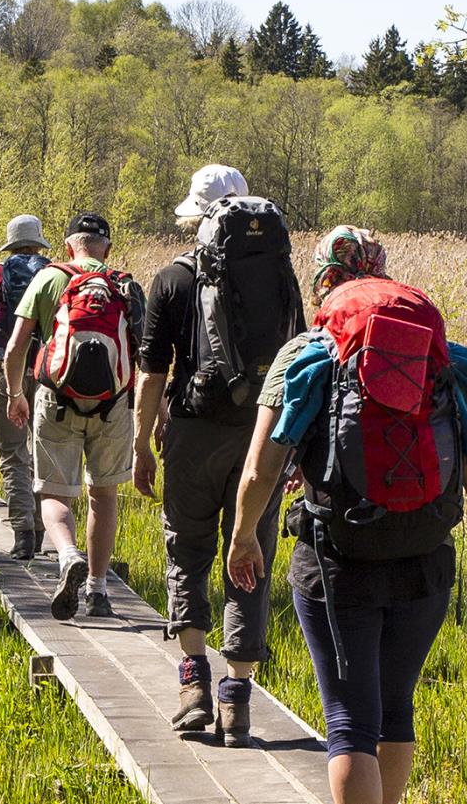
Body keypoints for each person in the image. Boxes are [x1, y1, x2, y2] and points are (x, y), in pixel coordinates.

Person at [228, 225, 467, 787]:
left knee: (349, 723)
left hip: (338, 563)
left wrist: (244, 537)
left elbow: (258, 469)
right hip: (425, 560)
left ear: (323, 282)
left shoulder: (307, 353)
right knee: (396, 712)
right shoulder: (433, 357)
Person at [133, 163, 304, 737]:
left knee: (187, 550)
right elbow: (295, 358)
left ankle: (193, 685)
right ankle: (237, 699)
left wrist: (141, 442)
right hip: (265, 435)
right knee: (249, 552)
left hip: (194, 431)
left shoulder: (172, 279)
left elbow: (153, 373)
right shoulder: (280, 270)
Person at [4, 213, 148, 621]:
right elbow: (146, 353)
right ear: (107, 248)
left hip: (57, 398)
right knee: (103, 495)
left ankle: (68, 556)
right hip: (114, 404)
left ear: (69, 246)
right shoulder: (126, 284)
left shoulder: (50, 278)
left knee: (54, 493)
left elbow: (16, 347)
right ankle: (98, 590)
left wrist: (16, 394)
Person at [0, 215, 51, 560]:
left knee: (12, 452)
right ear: (38, 242)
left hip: (7, 367)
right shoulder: (55, 274)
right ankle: (43, 530)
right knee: (44, 450)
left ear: (11, 243)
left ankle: (22, 534)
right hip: (49, 369)